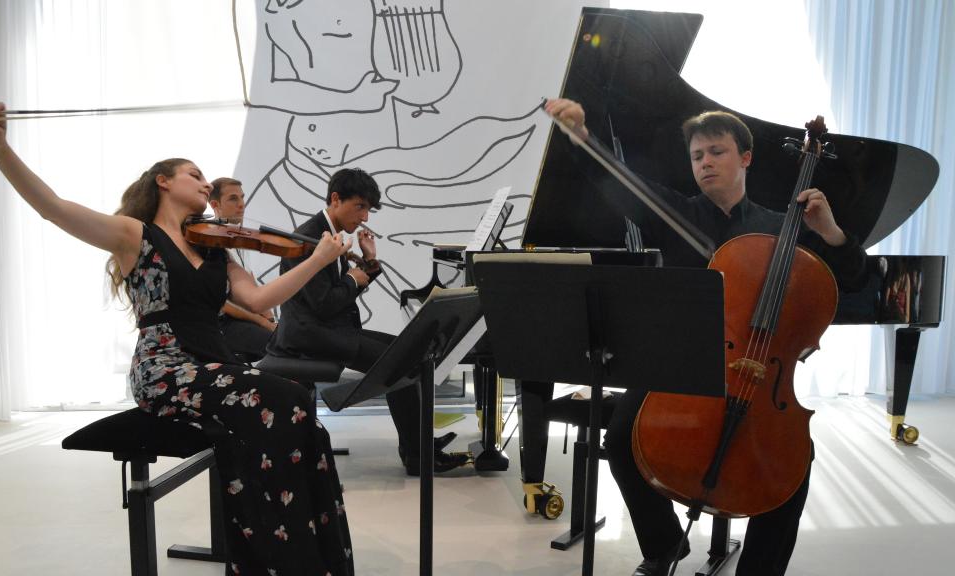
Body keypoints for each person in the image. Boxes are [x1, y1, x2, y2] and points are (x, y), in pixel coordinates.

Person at [0, 102, 355, 576]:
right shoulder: (137, 236)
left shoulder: (216, 248)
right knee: (283, 399)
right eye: (195, 174)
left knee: (305, 418)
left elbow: (258, 300)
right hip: (166, 369)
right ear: (164, 182)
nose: (206, 183)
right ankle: (272, 559)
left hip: (214, 364)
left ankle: (310, 559)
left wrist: (317, 260)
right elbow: (54, 209)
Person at [545, 98, 866, 576]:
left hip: (759, 376)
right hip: (682, 361)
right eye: (698, 156)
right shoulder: (675, 211)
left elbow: (856, 281)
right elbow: (621, 186)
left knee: (792, 470)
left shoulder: (781, 229)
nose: (706, 163)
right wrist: (581, 138)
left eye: (717, 152)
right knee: (620, 439)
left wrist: (832, 232)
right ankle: (663, 547)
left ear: (746, 158)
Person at [262, 168, 467, 476]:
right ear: (335, 199)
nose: (366, 217)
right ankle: (417, 454)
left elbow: (338, 294)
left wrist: (368, 262)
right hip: (310, 336)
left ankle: (417, 446)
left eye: (368, 209)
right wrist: (353, 279)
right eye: (360, 207)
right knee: (402, 361)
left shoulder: (329, 232)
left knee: (406, 351)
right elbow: (325, 304)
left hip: (328, 329)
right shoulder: (309, 238)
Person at [208, 177, 279, 362]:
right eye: (233, 199)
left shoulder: (236, 236)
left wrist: (270, 319)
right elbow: (220, 302)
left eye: (242, 197)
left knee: (289, 338)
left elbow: (250, 281)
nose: (241, 204)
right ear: (215, 204)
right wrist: (263, 322)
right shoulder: (208, 241)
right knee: (281, 345)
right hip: (221, 323)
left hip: (244, 319)